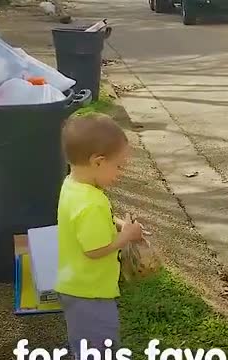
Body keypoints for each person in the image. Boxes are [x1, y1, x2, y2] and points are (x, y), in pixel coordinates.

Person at [54, 112, 143, 358]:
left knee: (84, 338)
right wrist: (127, 237)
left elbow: (79, 223)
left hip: (75, 286)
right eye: (118, 166)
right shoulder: (91, 202)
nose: (120, 173)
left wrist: (115, 223)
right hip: (90, 292)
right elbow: (93, 250)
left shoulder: (72, 185)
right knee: (99, 346)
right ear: (98, 162)